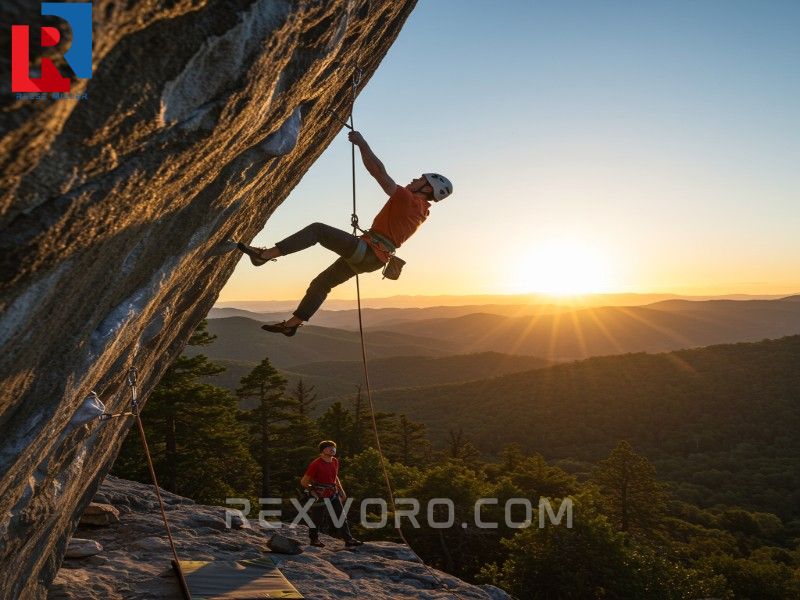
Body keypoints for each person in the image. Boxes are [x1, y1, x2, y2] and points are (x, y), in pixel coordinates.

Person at [237, 130, 453, 336]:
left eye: (420, 179)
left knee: (318, 230)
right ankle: (291, 325)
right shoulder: (422, 211)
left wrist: (362, 144)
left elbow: (378, 172)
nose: (414, 180)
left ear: (427, 189)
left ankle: (264, 255)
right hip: (373, 258)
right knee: (322, 284)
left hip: (368, 252)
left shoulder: (409, 200)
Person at [300, 440, 362, 548]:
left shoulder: (335, 461)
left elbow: (335, 477)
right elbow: (304, 481)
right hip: (320, 495)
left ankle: (348, 540)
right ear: (322, 450)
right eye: (329, 447)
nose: (332, 449)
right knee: (317, 519)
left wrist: (341, 490)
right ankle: (314, 540)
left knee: (341, 516)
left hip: (333, 493)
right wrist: (313, 490)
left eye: (334, 447)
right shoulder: (316, 464)